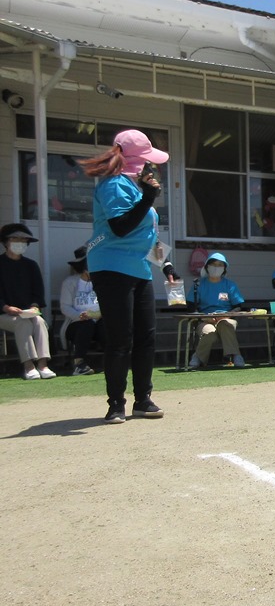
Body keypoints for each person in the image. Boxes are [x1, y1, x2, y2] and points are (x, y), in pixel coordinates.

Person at [81, 129, 180, 423]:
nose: (152, 165)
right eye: (147, 159)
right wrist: (147, 198)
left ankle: (143, 400)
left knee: (146, 336)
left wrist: (167, 264)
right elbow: (121, 227)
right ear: (134, 158)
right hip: (111, 267)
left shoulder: (136, 186)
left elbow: (146, 236)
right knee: (120, 337)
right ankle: (116, 404)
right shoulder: (113, 185)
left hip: (139, 268)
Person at [0, 223, 57, 380]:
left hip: (27, 313)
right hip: (4, 314)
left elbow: (38, 294)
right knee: (22, 323)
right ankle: (29, 366)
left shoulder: (31, 266)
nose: (20, 242)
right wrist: (6, 307)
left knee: (38, 321)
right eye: (15, 239)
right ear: (5, 242)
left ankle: (43, 364)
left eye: (23, 240)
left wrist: (34, 306)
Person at [189, 252, 246, 369]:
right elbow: (191, 306)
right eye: (213, 264)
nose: (216, 267)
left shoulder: (230, 285)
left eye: (220, 265)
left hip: (226, 318)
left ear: (224, 269)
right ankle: (198, 357)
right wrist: (204, 318)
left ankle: (236, 355)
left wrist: (228, 315)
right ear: (207, 267)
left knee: (226, 325)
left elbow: (239, 306)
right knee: (209, 333)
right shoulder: (199, 285)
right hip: (205, 319)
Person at [59, 245, 104, 376]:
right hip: (76, 323)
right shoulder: (70, 282)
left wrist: (99, 314)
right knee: (86, 325)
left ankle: (113, 361)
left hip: (100, 319)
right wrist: (80, 316)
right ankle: (79, 364)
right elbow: (65, 307)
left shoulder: (101, 281)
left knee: (107, 327)